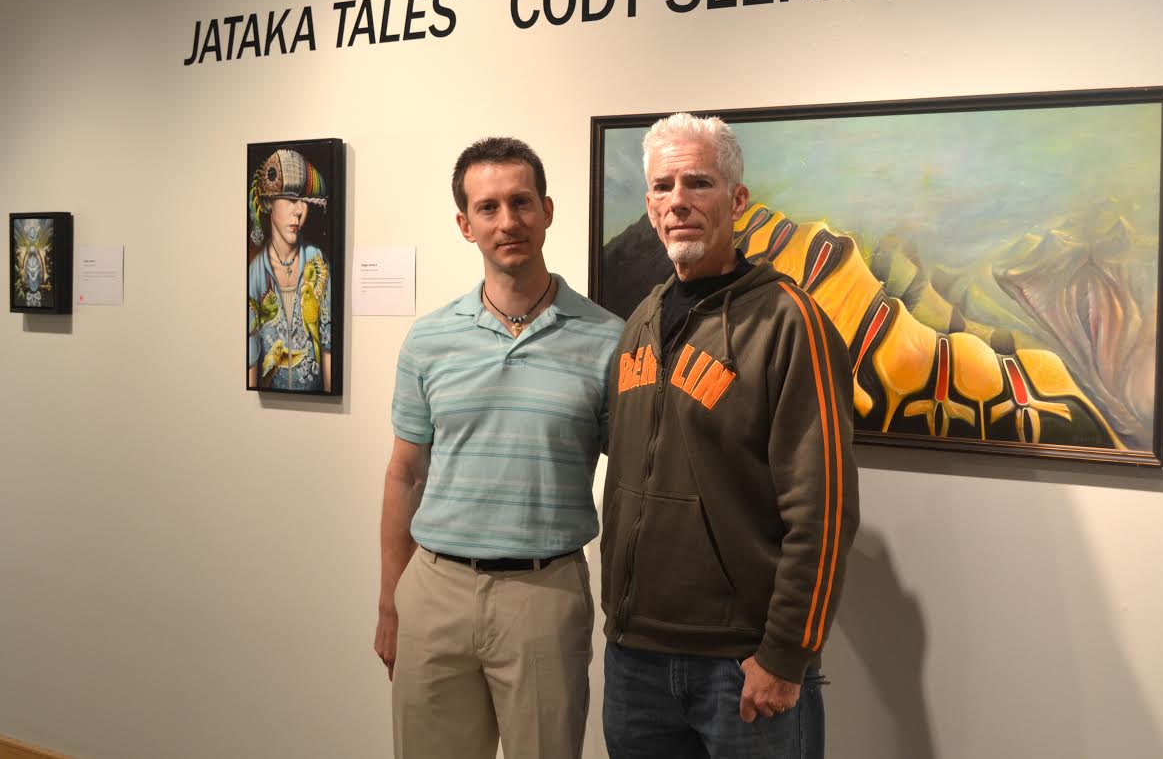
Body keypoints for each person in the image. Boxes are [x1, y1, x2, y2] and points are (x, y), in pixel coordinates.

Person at [601, 113, 859, 759]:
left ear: (738, 199)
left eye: (698, 183)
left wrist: (786, 653)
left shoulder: (789, 322)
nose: (677, 202)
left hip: (742, 670)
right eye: (662, 187)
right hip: (636, 664)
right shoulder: (640, 322)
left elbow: (825, 511)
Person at [374, 137, 623, 759]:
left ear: (547, 210)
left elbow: (632, 484)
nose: (507, 221)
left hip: (544, 595)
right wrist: (390, 601)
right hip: (434, 590)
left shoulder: (608, 340)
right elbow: (404, 475)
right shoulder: (429, 340)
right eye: (488, 208)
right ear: (465, 225)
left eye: (521, 202)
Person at [247, 148, 333, 393]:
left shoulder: (316, 261)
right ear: (267, 203)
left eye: (305, 202)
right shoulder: (255, 272)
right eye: (290, 199)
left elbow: (328, 342)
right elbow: (251, 352)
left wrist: (330, 395)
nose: (299, 211)